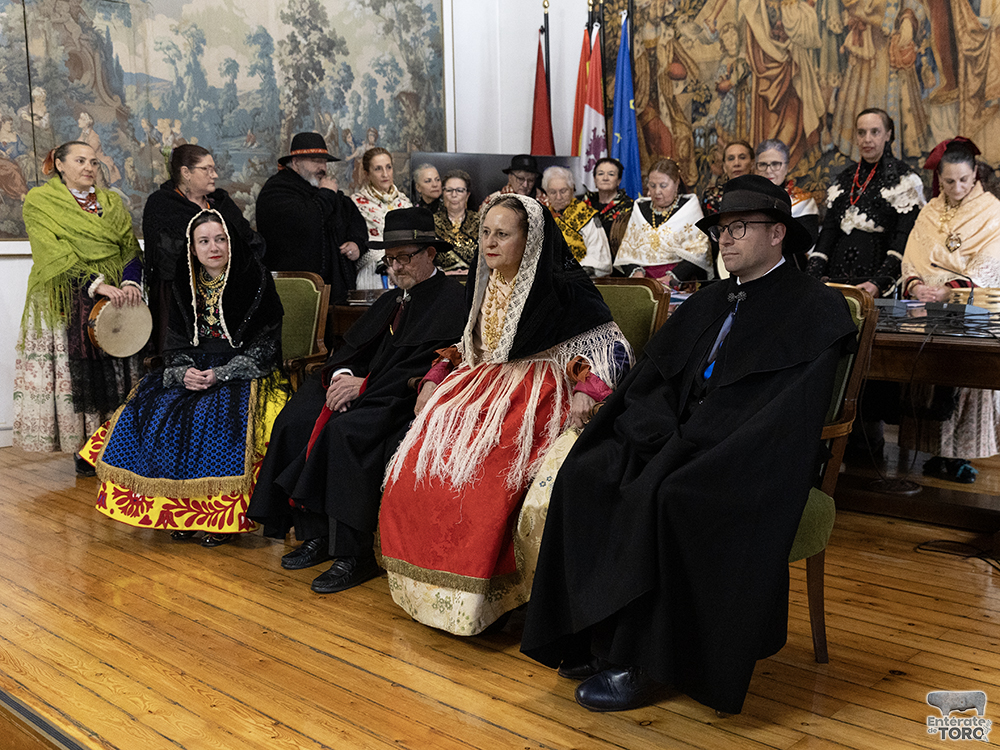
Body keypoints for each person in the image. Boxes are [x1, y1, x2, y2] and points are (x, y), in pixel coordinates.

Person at [521, 174, 858, 716]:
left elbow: (784, 414)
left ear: (778, 234)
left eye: (740, 227)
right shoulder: (709, 300)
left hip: (747, 455)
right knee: (586, 472)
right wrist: (654, 428)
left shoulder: (814, 310)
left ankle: (649, 662)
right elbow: (653, 380)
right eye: (721, 228)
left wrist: (696, 442)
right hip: (676, 439)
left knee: (671, 497)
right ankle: (594, 635)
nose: (725, 238)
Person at [377, 194, 632, 636]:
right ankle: (434, 593)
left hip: (535, 392)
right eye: (485, 233)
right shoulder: (484, 282)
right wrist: (436, 374)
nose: (490, 243)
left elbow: (608, 348)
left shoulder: (563, 288)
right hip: (478, 385)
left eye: (502, 234)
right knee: (421, 465)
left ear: (529, 240)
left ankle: (485, 599)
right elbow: (470, 345)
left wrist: (587, 387)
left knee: (482, 477)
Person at [247, 207, 467, 590]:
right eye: (391, 259)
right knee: (296, 418)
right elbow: (352, 349)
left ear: (431, 253)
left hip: (403, 395)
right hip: (369, 387)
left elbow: (429, 364)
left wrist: (364, 387)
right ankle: (317, 534)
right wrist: (344, 376)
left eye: (405, 257)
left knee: (346, 432)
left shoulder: (453, 300)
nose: (396, 267)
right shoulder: (392, 299)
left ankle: (354, 553)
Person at [80, 210, 288, 547]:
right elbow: (175, 340)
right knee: (159, 411)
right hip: (193, 365)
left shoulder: (256, 278)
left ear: (231, 242)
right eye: (204, 241)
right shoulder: (183, 282)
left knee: (216, 417)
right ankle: (181, 515)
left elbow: (267, 342)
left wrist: (222, 374)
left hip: (243, 367)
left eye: (220, 239)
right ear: (192, 248)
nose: (213, 247)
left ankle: (221, 520)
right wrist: (183, 372)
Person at [13, 141, 143, 476]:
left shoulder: (111, 202)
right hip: (67, 297)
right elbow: (51, 252)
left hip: (115, 298)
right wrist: (95, 284)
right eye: (80, 160)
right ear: (59, 164)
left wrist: (130, 282)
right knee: (80, 375)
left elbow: (130, 248)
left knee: (118, 371)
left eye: (94, 162)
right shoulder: (41, 201)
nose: (89, 167)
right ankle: (84, 449)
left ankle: (117, 444)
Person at [898, 138, 1000, 485]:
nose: (957, 188)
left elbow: (991, 262)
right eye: (949, 181)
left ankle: (959, 456)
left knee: (964, 378)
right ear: (939, 179)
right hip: (927, 308)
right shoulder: (929, 210)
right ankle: (930, 450)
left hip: (971, 307)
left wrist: (950, 289)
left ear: (975, 174)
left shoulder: (992, 210)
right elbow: (912, 255)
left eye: (964, 180)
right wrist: (915, 285)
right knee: (928, 374)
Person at [144, 143, 264, 354]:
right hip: (178, 296)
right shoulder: (163, 204)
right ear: (186, 173)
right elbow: (166, 257)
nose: (214, 175)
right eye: (206, 169)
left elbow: (248, 241)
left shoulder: (220, 203)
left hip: (227, 290)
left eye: (213, 169)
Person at [808, 109, 925, 297]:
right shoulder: (844, 179)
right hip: (834, 285)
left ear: (888, 135)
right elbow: (828, 234)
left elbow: (904, 239)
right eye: (861, 133)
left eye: (875, 132)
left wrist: (878, 283)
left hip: (877, 289)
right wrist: (811, 278)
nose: (867, 139)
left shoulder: (905, 181)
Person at [256, 132, 368, 305]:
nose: (322, 168)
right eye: (315, 161)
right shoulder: (276, 191)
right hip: (294, 291)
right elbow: (306, 222)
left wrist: (357, 244)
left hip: (335, 293)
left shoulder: (324, 190)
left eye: (324, 162)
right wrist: (326, 194)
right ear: (295, 163)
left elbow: (353, 219)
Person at [614, 158, 711, 285]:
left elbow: (700, 252)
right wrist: (636, 272)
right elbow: (627, 251)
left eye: (663, 186)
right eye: (652, 185)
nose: (657, 191)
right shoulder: (640, 209)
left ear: (676, 184)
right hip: (644, 282)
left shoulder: (689, 208)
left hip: (680, 281)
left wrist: (673, 277)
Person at [351, 146, 412, 289]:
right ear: (367, 174)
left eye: (388, 167)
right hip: (373, 273)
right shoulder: (356, 204)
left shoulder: (405, 202)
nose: (385, 174)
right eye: (378, 169)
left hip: (406, 269)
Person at [755, 138, 820, 266]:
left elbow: (806, 243)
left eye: (775, 164)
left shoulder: (804, 201)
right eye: (762, 164)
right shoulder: (749, 199)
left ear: (787, 167)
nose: (768, 170)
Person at [542, 166, 612, 277]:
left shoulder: (585, 214)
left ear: (572, 189)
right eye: (552, 192)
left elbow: (599, 256)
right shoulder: (543, 217)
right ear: (546, 193)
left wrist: (572, 272)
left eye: (563, 191)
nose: (558, 197)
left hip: (579, 276)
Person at [581, 157, 634, 253]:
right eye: (600, 174)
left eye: (611, 174)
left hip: (617, 258)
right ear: (595, 179)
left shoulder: (630, 207)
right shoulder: (583, 204)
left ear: (619, 181)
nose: (605, 178)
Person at [433, 169, 479, 273]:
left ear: (467, 195)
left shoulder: (480, 222)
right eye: (449, 190)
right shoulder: (432, 222)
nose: (454, 195)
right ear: (443, 194)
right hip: (442, 279)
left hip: (474, 280)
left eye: (459, 190)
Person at [701, 140, 754, 216]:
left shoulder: (763, 193)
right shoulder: (712, 196)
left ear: (752, 163)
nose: (736, 163)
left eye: (742, 158)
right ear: (724, 166)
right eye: (731, 159)